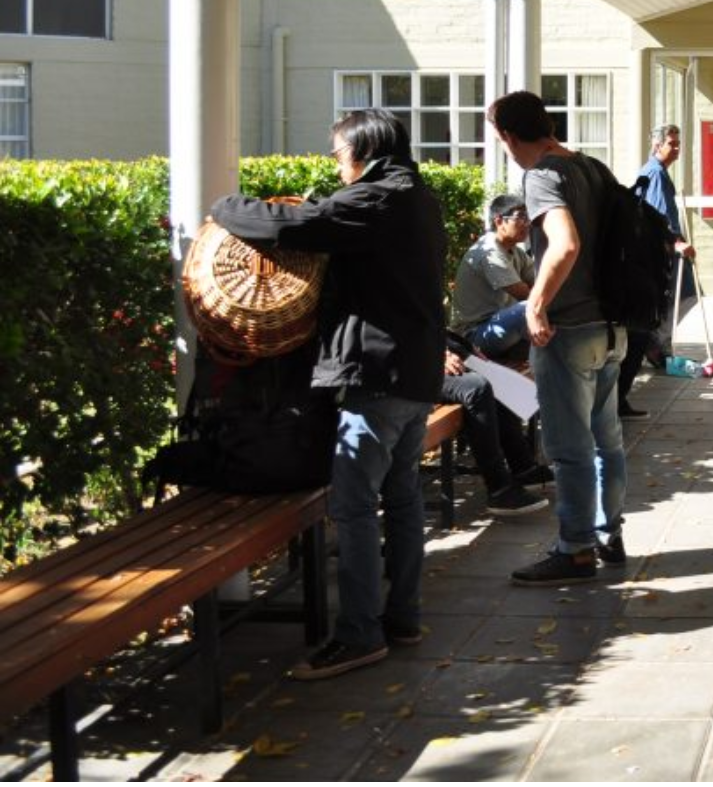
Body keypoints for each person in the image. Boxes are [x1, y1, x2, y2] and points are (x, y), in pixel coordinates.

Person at [209, 108, 446, 679]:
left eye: (339, 154)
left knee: (355, 506)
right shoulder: (418, 195)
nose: (337, 166)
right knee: (403, 497)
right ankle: (403, 617)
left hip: (378, 377)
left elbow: (295, 225)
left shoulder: (376, 198)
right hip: (414, 374)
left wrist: (224, 206)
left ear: (362, 150)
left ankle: (360, 634)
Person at [487, 90, 629, 585]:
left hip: (568, 330)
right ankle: (609, 534)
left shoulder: (542, 175)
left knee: (569, 448)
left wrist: (538, 304)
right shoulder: (591, 167)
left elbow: (565, 244)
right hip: (612, 327)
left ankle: (574, 550)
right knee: (607, 441)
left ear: (506, 135)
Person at [616, 123, 696, 417]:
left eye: (678, 143)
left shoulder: (657, 173)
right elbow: (658, 217)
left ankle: (654, 345)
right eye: (671, 144)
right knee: (654, 314)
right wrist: (676, 243)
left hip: (651, 257)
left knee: (667, 306)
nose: (676, 148)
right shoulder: (654, 174)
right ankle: (655, 347)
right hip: (650, 259)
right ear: (657, 145)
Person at [438, 346, 550, 515]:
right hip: (406, 368)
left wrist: (465, 349)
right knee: (477, 388)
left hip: (427, 358)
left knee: (492, 375)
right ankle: (498, 488)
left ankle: (524, 468)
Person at [449, 194, 534, 360]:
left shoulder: (517, 251)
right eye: (521, 217)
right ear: (499, 221)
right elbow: (528, 295)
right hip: (473, 335)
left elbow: (540, 283)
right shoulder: (489, 251)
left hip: (501, 326)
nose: (527, 223)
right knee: (529, 308)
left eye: (528, 217)